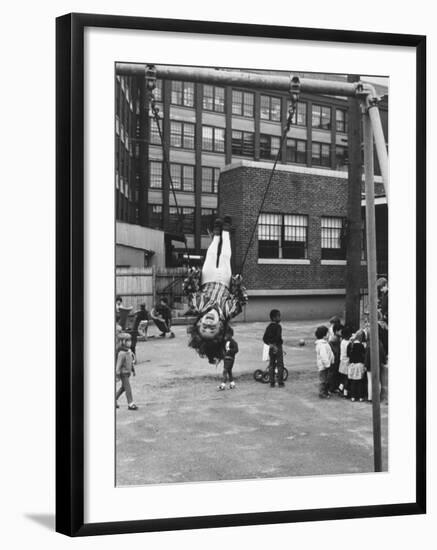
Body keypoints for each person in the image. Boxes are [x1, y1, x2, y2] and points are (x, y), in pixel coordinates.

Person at [183, 216, 248, 364]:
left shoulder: (197, 306)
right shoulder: (229, 311)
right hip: (224, 280)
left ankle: (216, 234)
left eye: (203, 328)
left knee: (211, 255)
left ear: (198, 323)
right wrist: (237, 284)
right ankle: (225, 230)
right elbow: (241, 299)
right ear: (221, 327)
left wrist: (192, 276)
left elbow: (189, 290)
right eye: (212, 330)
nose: (208, 326)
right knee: (225, 256)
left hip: (208, 277)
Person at [115, 332, 138, 410]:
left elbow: (130, 362)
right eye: (128, 340)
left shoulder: (129, 351)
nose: (130, 342)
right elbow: (118, 365)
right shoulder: (121, 353)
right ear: (123, 342)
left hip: (128, 373)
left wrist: (133, 370)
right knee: (128, 388)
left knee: (123, 388)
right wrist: (117, 375)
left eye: (130, 340)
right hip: (123, 373)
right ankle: (130, 403)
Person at [364, 324, 387, 402]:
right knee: (378, 381)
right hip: (378, 364)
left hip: (370, 365)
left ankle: (370, 398)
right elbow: (383, 355)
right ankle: (377, 397)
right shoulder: (380, 343)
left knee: (370, 381)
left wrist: (365, 365)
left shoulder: (369, 343)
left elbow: (367, 355)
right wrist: (384, 361)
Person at [263, 309, 285, 387]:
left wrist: (270, 344)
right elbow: (278, 337)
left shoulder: (268, 327)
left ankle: (272, 382)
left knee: (271, 364)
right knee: (280, 365)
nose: (280, 318)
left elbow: (264, 338)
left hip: (271, 347)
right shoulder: (278, 327)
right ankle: (280, 382)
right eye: (279, 316)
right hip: (278, 347)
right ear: (274, 318)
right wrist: (275, 345)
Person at [315, 325, 335, 398]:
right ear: (324, 335)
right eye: (327, 333)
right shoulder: (322, 345)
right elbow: (324, 356)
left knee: (326, 380)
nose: (328, 334)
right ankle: (322, 393)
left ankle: (325, 392)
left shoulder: (324, 343)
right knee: (323, 380)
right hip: (324, 366)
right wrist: (328, 364)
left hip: (326, 365)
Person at [347, 332, 367, 402]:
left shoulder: (350, 345)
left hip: (352, 365)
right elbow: (364, 355)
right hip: (359, 365)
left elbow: (348, 354)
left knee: (353, 381)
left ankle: (353, 396)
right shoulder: (361, 346)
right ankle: (360, 396)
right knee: (360, 382)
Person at [218, 326, 239, 390]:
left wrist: (230, 351)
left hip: (230, 358)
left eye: (228, 334)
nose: (227, 335)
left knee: (225, 371)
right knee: (229, 371)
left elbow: (236, 350)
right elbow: (223, 349)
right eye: (226, 334)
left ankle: (223, 385)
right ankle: (232, 384)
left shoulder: (233, 342)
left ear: (231, 335)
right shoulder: (225, 341)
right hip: (226, 358)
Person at [338, 325, 352, 397]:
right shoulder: (348, 343)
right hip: (347, 362)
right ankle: (345, 393)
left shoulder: (342, 341)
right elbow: (349, 353)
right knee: (347, 378)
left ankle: (340, 389)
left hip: (342, 361)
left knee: (343, 378)